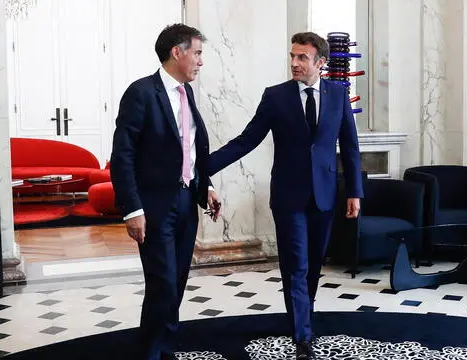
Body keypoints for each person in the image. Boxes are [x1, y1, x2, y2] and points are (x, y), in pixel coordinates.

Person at [208, 32, 363, 360]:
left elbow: (349, 146)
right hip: (289, 197)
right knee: (296, 265)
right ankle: (303, 336)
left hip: (324, 196)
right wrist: (202, 167)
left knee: (314, 266)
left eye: (302, 57)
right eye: (292, 56)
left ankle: (301, 316)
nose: (294, 62)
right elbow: (246, 140)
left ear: (320, 63)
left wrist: (354, 192)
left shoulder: (338, 95)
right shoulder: (276, 97)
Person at [110, 24, 221, 360]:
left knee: (177, 281)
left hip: (187, 202)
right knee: (162, 282)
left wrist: (208, 187)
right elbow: (123, 156)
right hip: (155, 207)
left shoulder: (187, 95)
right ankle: (152, 352)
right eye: (197, 53)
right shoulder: (141, 93)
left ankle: (163, 344)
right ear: (178, 52)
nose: (201, 61)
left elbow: (191, 150)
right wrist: (133, 209)